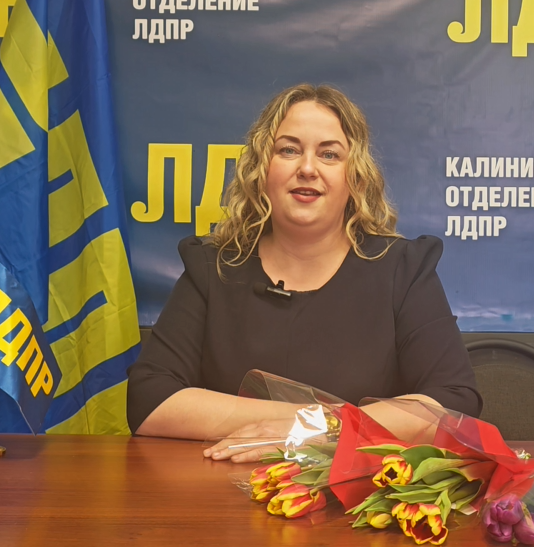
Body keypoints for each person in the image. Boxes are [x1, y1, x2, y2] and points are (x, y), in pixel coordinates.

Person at [126, 84, 480, 461]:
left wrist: (319, 428)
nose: (307, 169)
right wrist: (303, 421)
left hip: (356, 491)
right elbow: (150, 399)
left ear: (355, 177)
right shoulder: (213, 268)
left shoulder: (403, 269)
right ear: (262, 169)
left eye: (329, 154)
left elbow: (454, 404)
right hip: (226, 488)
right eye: (289, 150)